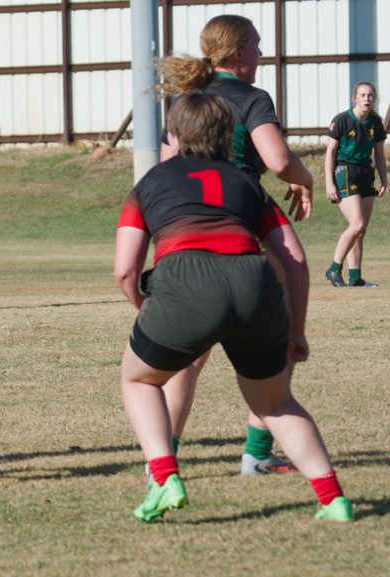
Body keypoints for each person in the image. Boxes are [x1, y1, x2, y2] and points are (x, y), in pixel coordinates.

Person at [115, 91, 353, 523]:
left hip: (185, 284)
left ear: (173, 134)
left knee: (139, 379)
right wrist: (295, 330)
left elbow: (126, 271)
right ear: (229, 135)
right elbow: (294, 259)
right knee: (275, 403)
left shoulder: (149, 183)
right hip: (254, 282)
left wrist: (148, 312)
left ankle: (165, 477)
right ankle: (333, 499)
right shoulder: (247, 184)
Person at [148, 14, 316, 479]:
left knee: (189, 354)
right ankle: (257, 453)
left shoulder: (187, 100)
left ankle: (164, 460)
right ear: (239, 53)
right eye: (258, 46)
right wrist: (306, 181)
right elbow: (279, 160)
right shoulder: (251, 97)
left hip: (184, 226)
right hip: (242, 218)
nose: (262, 54)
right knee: (276, 337)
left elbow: (167, 166)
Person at [324, 81, 388, 288]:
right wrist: (329, 184)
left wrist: (385, 181)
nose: (367, 99)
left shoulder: (375, 123)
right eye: (362, 95)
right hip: (345, 171)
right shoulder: (342, 120)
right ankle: (334, 269)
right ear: (355, 98)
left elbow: (379, 155)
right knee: (357, 224)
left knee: (361, 230)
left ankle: (355, 278)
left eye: (370, 95)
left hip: (365, 173)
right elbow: (330, 153)